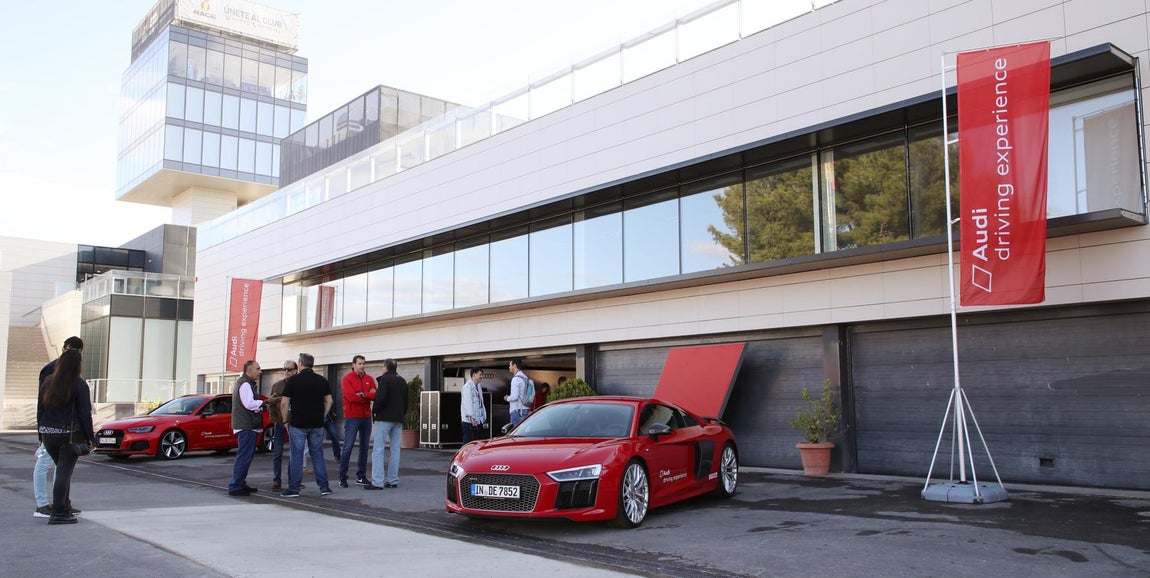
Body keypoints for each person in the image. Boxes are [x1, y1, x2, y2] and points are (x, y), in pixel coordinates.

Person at [36, 348, 94, 525]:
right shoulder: (79, 384)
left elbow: (40, 408)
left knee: (62, 471)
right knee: (63, 472)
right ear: (78, 365)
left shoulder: (48, 382)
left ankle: (64, 507)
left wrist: (40, 432)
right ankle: (59, 513)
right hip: (68, 435)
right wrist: (90, 437)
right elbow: (85, 413)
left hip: (48, 434)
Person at [279, 353, 334, 497]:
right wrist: (322, 415)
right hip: (316, 424)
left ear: (301, 363)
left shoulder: (293, 381)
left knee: (296, 455)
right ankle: (324, 487)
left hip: (298, 424)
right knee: (317, 455)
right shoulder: (322, 380)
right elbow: (329, 401)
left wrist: (285, 420)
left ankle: (294, 489)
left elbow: (284, 403)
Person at [367, 359, 407, 490]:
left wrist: (375, 412)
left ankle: (377, 481)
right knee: (395, 450)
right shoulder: (402, 381)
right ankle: (392, 480)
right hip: (398, 418)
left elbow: (380, 398)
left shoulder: (384, 380)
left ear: (385, 367)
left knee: (378, 449)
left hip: (385, 418)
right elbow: (406, 402)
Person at [227, 360, 266, 496]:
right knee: (244, 456)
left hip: (247, 425)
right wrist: (264, 403)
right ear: (249, 371)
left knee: (245, 456)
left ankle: (239, 483)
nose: (260, 371)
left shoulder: (245, 383)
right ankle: (236, 485)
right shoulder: (245, 384)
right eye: (258, 369)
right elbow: (249, 403)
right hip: (246, 425)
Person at [338, 355, 376, 488]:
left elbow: (374, 395)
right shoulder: (347, 379)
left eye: (364, 363)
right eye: (360, 363)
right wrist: (365, 396)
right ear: (353, 364)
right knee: (348, 446)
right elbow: (350, 397)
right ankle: (342, 477)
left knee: (364, 448)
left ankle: (361, 476)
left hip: (366, 417)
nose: (362, 366)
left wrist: (363, 394)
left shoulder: (369, 379)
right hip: (352, 417)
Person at [265, 360, 295, 491]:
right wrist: (275, 419)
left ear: (295, 370)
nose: (287, 372)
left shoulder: (299, 384)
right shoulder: (277, 385)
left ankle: (293, 480)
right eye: (285, 369)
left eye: (289, 369)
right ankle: (276, 480)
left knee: (294, 453)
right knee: (277, 453)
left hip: (295, 423)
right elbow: (270, 404)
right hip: (279, 422)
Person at [460, 367, 487, 443]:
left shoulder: (478, 386)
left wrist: (483, 416)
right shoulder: (467, 387)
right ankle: (464, 455)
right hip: (469, 421)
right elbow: (468, 403)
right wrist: (472, 417)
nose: (481, 377)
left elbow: (481, 402)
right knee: (468, 443)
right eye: (480, 374)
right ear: (474, 375)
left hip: (478, 420)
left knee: (477, 443)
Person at [505, 358, 530, 428]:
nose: (509, 367)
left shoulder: (516, 379)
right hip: (525, 409)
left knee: (516, 435)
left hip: (517, 411)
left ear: (514, 365)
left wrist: (507, 398)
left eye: (510, 365)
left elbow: (515, 397)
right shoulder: (525, 377)